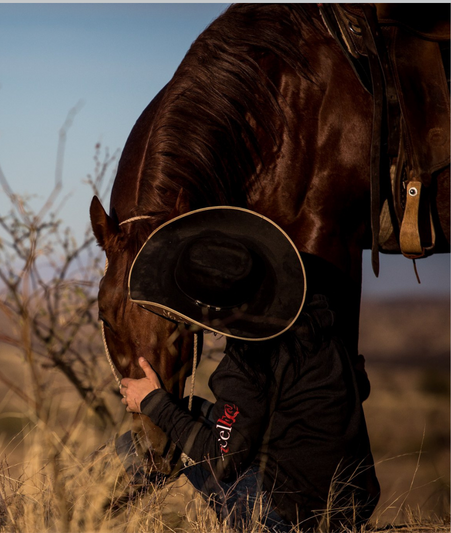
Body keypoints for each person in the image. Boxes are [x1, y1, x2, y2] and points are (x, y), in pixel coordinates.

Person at [117, 207, 380, 532]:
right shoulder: (316, 317)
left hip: (296, 517)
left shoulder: (250, 364)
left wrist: (153, 402)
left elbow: (221, 461)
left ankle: (80, 510)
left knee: (166, 436)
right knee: (189, 412)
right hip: (352, 502)